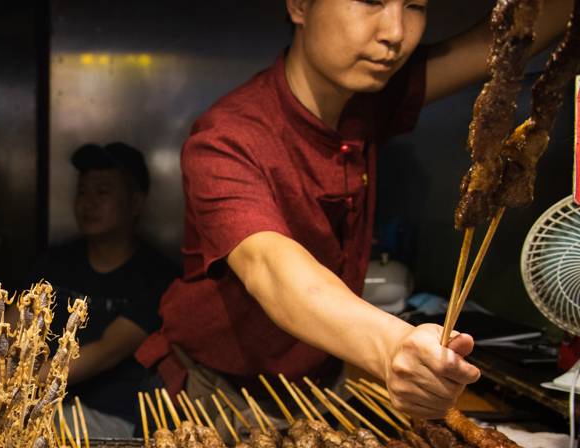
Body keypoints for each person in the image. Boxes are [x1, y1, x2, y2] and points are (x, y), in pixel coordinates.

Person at [136, 0, 572, 419]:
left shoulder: (370, 98)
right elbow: (271, 268)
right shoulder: (227, 138)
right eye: (369, 0)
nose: (396, 33)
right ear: (300, 5)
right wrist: (394, 348)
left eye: (415, 6)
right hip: (220, 391)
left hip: (322, 381)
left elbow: (496, 45)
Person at [26, 143, 176, 437]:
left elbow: (108, 350)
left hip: (110, 417)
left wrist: (16, 385)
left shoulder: (158, 276)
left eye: (103, 192)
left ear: (135, 203)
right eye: (82, 191)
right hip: (37, 401)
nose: (88, 203)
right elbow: (18, 319)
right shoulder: (55, 261)